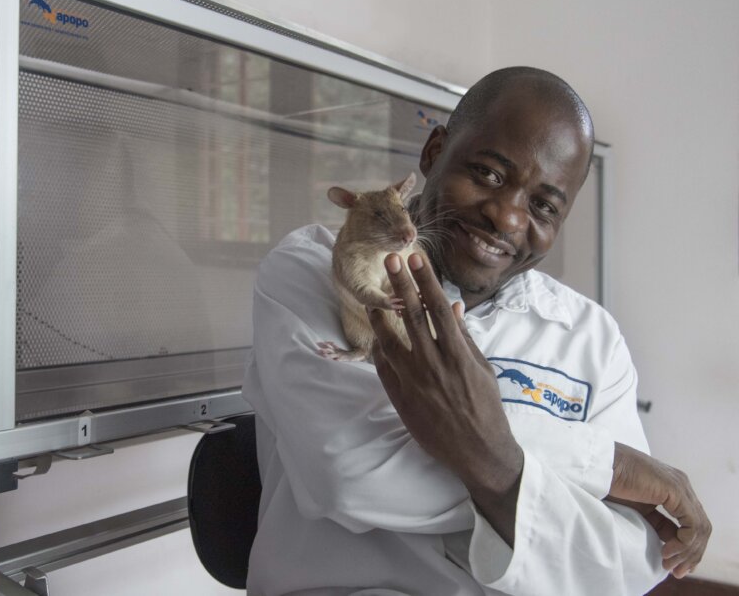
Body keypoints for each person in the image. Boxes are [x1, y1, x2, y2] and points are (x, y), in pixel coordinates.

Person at [242, 67, 710, 596]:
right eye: (488, 174)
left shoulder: (591, 337)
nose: (507, 217)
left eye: (544, 206)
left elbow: (630, 562)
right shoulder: (315, 270)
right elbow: (352, 475)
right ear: (434, 152)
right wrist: (603, 466)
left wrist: (475, 444)